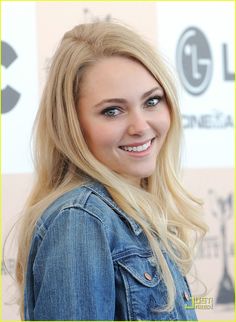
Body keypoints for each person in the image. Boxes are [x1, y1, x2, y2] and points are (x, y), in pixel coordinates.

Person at [15, 21, 208, 321]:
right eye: (112, 111)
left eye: (152, 101)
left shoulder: (134, 214)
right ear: (72, 125)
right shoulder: (80, 221)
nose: (141, 126)